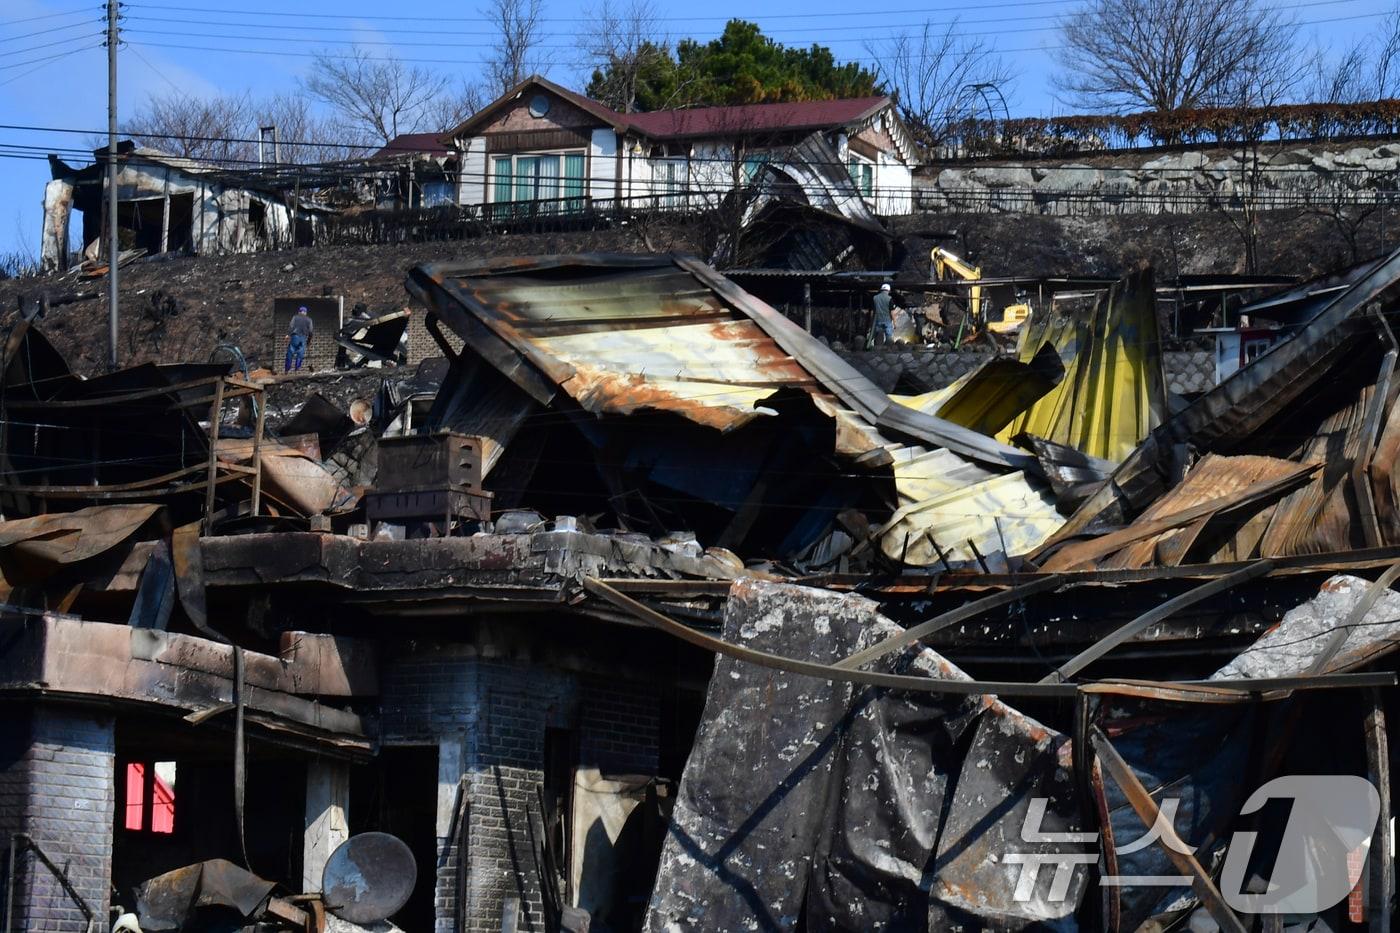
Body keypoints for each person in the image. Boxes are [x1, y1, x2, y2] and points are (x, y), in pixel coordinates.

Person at [285, 306, 313, 373]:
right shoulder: (309, 320)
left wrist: (288, 334)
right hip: (303, 338)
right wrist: (309, 341)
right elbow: (311, 331)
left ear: (299, 312)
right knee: (300, 354)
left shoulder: (295, 317)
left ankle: (287, 369)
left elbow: (291, 326)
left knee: (290, 352)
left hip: (295, 337)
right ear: (305, 313)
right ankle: (297, 369)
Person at [869, 283, 894, 348]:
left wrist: (871, 321)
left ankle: (877, 349)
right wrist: (895, 322)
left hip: (878, 320)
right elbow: (892, 312)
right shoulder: (889, 298)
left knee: (878, 336)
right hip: (887, 320)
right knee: (889, 336)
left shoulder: (875, 298)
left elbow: (872, 311)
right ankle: (889, 349)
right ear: (888, 290)